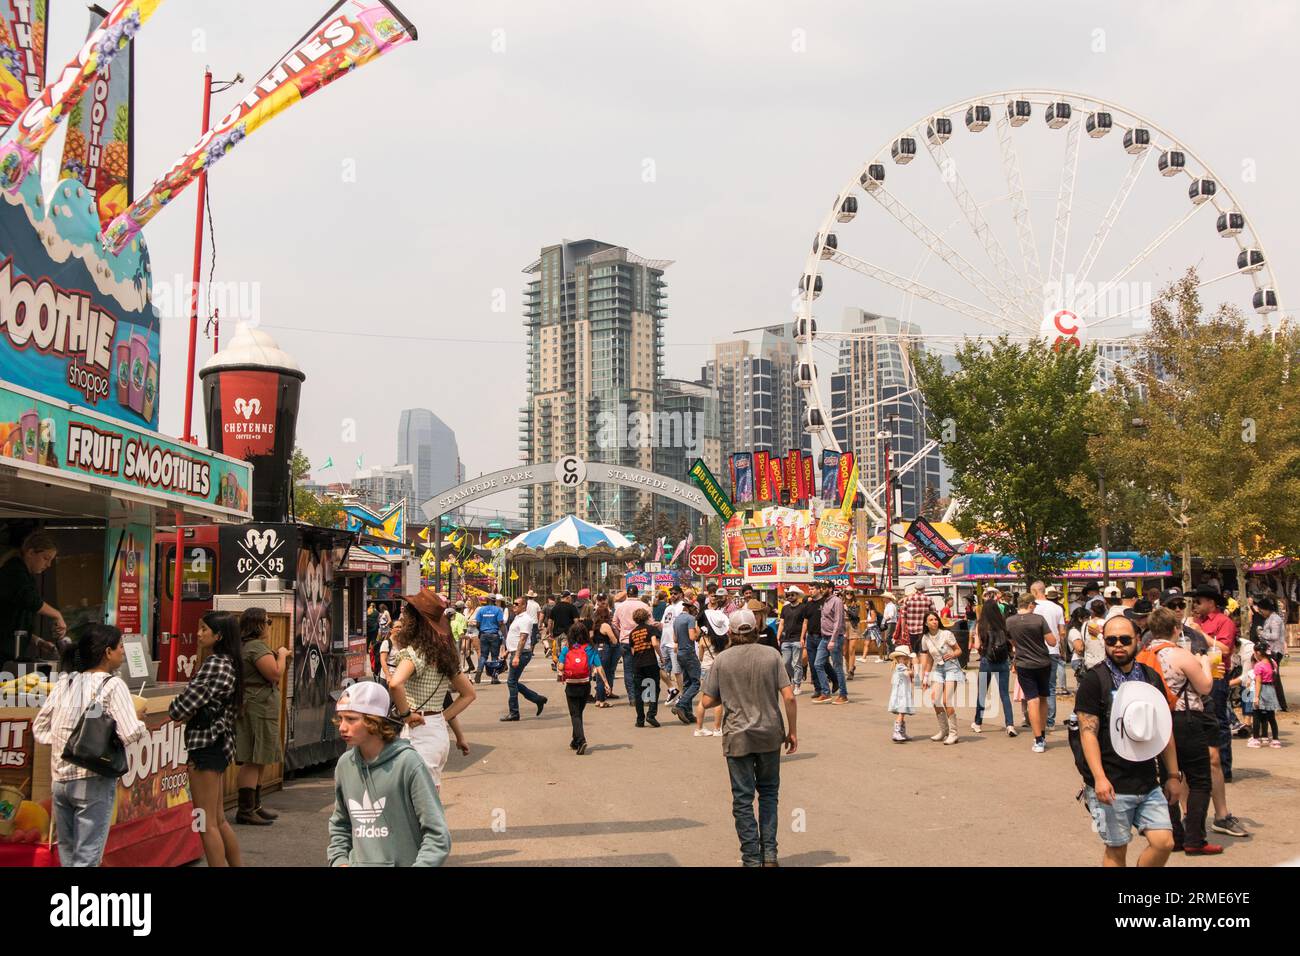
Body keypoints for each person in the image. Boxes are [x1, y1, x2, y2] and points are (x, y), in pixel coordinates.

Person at [1072, 615, 1185, 867]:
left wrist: (1173, 776)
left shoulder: (1150, 677)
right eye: (1111, 640)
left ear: (1137, 640)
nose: (1118, 645)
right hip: (1111, 782)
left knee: (1164, 842)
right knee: (1116, 848)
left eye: (1124, 639)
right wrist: (1099, 778)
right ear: (1104, 642)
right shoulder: (1094, 680)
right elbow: (1087, 732)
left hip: (1147, 779)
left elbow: (1163, 731)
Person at [32, 624, 147, 866]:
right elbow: (129, 733)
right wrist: (139, 721)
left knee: (69, 855)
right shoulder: (113, 685)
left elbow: (40, 728)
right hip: (92, 780)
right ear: (107, 652)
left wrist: (71, 745)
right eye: (120, 647)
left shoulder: (67, 682)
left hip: (60, 781)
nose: (123, 652)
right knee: (86, 859)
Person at [700, 609, 797, 867]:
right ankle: (770, 855)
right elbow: (789, 696)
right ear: (756, 629)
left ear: (730, 633)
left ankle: (751, 859)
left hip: (737, 736)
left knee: (743, 800)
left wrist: (729, 694)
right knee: (768, 795)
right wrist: (792, 731)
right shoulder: (772, 655)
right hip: (769, 734)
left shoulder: (722, 660)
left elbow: (707, 701)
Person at [327, 681, 450, 867]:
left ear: (374, 721)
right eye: (341, 719)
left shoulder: (408, 763)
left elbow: (437, 834)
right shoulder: (345, 765)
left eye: (351, 719)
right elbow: (340, 825)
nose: (342, 727)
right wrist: (339, 861)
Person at [1142, 607, 1220, 854]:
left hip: (1158, 721)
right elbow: (1205, 687)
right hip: (1186, 719)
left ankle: (1175, 834)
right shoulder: (1181, 655)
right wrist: (1205, 663)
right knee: (1199, 780)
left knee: (1169, 776)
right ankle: (1195, 839)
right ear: (1176, 629)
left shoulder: (1144, 656)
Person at [169, 611, 243, 867]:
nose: (198, 634)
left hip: (205, 747)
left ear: (218, 635)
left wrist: (179, 705)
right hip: (220, 746)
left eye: (204, 629)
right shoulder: (230, 662)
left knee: (204, 821)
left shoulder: (214, 664)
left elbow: (180, 708)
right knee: (217, 819)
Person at [388, 591, 476, 785]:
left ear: (414, 621)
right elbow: (468, 694)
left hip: (419, 731)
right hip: (436, 730)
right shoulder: (444, 654)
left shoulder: (414, 654)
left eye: (406, 613)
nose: (403, 616)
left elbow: (395, 684)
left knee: (421, 801)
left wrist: (406, 715)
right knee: (427, 795)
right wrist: (440, 718)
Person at [233, 607, 290, 826]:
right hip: (257, 709)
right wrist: (282, 656)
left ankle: (254, 806)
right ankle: (246, 809)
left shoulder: (248, 646)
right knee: (253, 758)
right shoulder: (255, 647)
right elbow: (275, 673)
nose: (269, 625)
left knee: (260, 757)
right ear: (257, 624)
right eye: (267, 621)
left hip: (259, 707)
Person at [1188, 585, 1238, 783]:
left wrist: (1201, 634)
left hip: (1217, 675)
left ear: (1211, 603)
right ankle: (1205, 765)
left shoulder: (1223, 621)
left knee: (1218, 720)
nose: (1195, 606)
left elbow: (1225, 649)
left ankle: (1224, 768)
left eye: (1198, 601)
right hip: (1197, 674)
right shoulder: (1195, 622)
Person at [1, 530, 67, 661]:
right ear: (30, 553)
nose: (48, 565)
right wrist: (57, 614)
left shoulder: (25, 575)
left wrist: (38, 641)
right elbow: (31, 600)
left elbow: (14, 624)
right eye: (46, 558)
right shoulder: (14, 572)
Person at [1006, 592, 1056, 753]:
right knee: (1043, 698)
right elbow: (1052, 641)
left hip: (1023, 663)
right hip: (1043, 662)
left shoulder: (1010, 621)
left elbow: (1012, 642)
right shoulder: (1039, 620)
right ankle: (1042, 734)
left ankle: (1038, 740)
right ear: (1030, 605)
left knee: (1031, 700)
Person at [556, 620, 610, 755]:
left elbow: (561, 667)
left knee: (575, 714)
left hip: (572, 685)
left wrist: (560, 667)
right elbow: (598, 667)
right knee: (578, 713)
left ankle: (581, 740)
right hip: (585, 685)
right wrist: (606, 683)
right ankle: (575, 740)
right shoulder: (590, 648)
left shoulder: (567, 648)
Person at [971, 594, 1016, 736]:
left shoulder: (981, 625)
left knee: (982, 693)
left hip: (987, 661)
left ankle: (978, 723)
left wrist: (976, 642)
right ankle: (1010, 725)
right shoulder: (1003, 624)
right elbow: (1012, 645)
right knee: (1004, 695)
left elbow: (977, 645)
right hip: (1003, 662)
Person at [500, 595, 546, 721]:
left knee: (511, 682)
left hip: (521, 653)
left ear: (524, 606)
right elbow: (514, 637)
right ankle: (537, 699)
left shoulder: (525, 619)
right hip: (515, 652)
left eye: (517, 604)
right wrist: (508, 651)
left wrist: (517, 656)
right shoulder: (517, 618)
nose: (514, 606)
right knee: (513, 682)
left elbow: (523, 638)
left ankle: (514, 712)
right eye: (513, 604)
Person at [920, 610, 963, 744]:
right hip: (939, 669)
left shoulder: (946, 634)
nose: (934, 622)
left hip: (952, 668)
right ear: (926, 624)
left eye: (935, 619)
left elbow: (959, 650)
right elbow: (930, 659)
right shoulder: (925, 638)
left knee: (946, 701)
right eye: (931, 620)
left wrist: (953, 654)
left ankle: (953, 733)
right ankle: (943, 730)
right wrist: (925, 677)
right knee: (935, 700)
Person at [1030, 581, 1067, 725]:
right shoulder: (1057, 608)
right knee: (1050, 686)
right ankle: (1050, 720)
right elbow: (1062, 631)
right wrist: (1061, 649)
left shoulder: (1032, 608)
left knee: (1035, 686)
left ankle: (1037, 718)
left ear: (1034, 592)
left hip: (1035, 650)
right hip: (1053, 650)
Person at [695, 596, 728, 737]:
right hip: (719, 669)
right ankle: (717, 728)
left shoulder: (703, 639)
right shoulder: (726, 639)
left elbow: (700, 657)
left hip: (705, 669)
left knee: (703, 700)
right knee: (718, 700)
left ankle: (699, 728)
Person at [614, 585, 650, 701]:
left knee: (628, 670)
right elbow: (651, 622)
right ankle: (645, 697)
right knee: (644, 669)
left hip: (625, 641)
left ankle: (633, 697)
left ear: (627, 594)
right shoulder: (644, 606)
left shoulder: (620, 607)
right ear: (637, 593)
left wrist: (621, 631)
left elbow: (614, 623)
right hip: (642, 640)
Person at [628, 606, 662, 728]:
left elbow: (632, 651)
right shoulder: (651, 629)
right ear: (647, 617)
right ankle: (651, 715)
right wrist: (661, 657)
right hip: (650, 662)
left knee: (638, 691)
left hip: (637, 664)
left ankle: (640, 719)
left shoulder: (632, 633)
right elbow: (654, 643)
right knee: (654, 688)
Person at [815, 582, 848, 704]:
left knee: (837, 666)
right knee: (818, 664)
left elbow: (838, 622)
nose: (821, 590)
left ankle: (843, 695)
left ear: (830, 589)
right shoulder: (825, 601)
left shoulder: (837, 601)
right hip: (824, 638)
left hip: (835, 638)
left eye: (823, 588)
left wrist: (833, 640)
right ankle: (825, 692)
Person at [671, 595, 701, 724]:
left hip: (680, 653)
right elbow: (692, 637)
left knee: (687, 683)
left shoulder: (677, 620)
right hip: (689, 652)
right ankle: (681, 705)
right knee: (696, 683)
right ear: (691, 608)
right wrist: (700, 632)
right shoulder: (690, 619)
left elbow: (675, 639)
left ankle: (688, 713)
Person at [1254, 596, 1287, 712]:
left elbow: (1275, 636)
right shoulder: (1268, 619)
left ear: (1266, 609)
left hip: (1275, 651)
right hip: (1270, 650)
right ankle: (1277, 702)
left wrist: (1262, 634)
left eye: (1261, 610)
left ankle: (1281, 704)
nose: (1261, 613)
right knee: (1273, 677)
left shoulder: (1275, 619)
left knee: (1274, 678)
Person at [799, 582, 829, 701]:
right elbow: (805, 622)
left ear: (818, 590)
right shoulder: (809, 605)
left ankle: (826, 688)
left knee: (820, 664)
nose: (810, 591)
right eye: (809, 589)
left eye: (812, 589)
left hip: (822, 637)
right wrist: (802, 637)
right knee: (812, 664)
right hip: (810, 637)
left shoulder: (825, 602)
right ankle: (817, 689)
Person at [1247, 643, 1281, 748]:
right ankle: (1275, 739)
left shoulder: (1259, 665)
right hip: (1271, 690)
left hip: (1262, 690)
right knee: (1271, 717)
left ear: (1257, 653)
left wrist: (1256, 697)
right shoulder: (1273, 663)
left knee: (1257, 715)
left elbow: (1258, 682)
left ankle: (1256, 739)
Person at [776, 586, 806, 693]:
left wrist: (802, 637)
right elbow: (781, 624)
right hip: (786, 639)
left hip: (797, 638)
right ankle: (794, 678)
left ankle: (797, 685)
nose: (790, 596)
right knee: (785, 663)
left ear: (797, 595)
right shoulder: (785, 608)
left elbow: (804, 624)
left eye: (792, 594)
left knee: (796, 663)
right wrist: (778, 637)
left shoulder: (803, 607)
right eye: (788, 595)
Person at [472, 594, 506, 685]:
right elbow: (500, 623)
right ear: (494, 601)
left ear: (487, 600)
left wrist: (482, 630)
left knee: (483, 655)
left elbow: (477, 624)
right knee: (494, 656)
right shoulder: (498, 610)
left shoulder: (481, 610)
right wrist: (504, 634)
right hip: (494, 635)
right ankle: (494, 678)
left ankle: (479, 670)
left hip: (483, 635)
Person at [887, 643, 916, 742]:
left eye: (907, 658)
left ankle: (902, 732)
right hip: (901, 694)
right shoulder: (900, 666)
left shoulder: (902, 666)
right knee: (901, 712)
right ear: (899, 659)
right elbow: (908, 673)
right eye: (905, 658)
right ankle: (897, 732)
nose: (907, 660)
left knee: (902, 713)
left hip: (903, 692)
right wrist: (914, 668)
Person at [900, 585, 934, 662]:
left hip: (912, 629)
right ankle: (922, 669)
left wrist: (902, 631)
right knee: (924, 651)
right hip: (925, 630)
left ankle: (916, 669)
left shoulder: (908, 599)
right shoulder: (929, 599)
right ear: (924, 589)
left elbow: (903, 616)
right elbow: (933, 615)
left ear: (915, 589)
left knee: (914, 651)